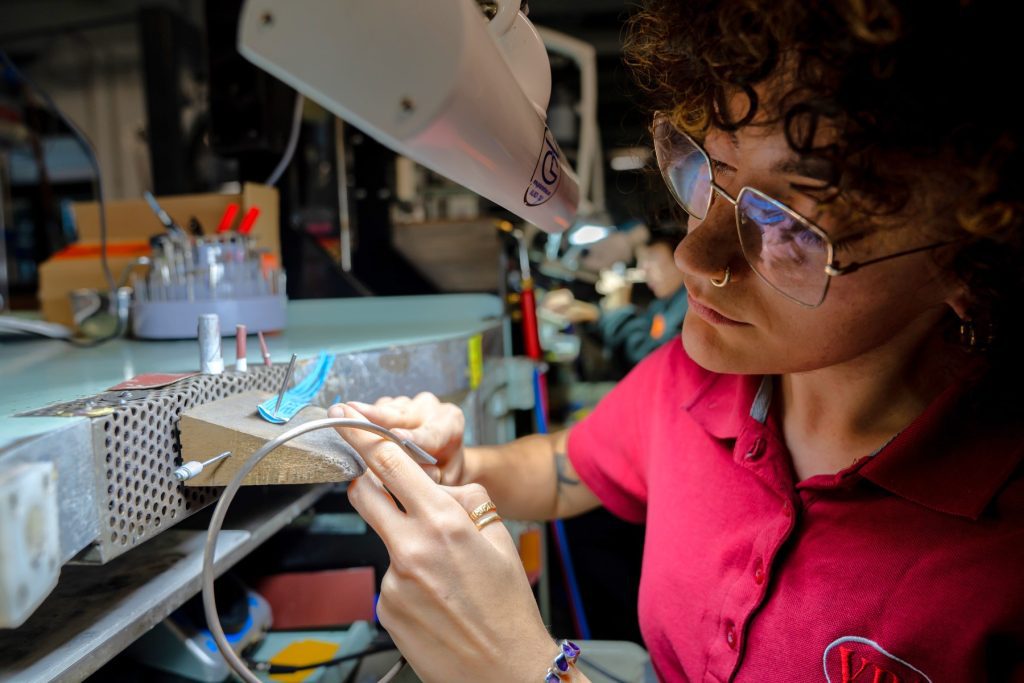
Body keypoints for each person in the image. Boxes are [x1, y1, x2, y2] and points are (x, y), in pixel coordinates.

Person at [329, 1, 1024, 680]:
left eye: (786, 227)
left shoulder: (1000, 561)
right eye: (705, 171)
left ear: (974, 260)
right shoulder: (692, 384)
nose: (696, 254)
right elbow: (560, 466)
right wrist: (458, 466)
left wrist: (523, 668)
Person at [543, 226, 688, 374]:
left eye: (650, 256)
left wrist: (618, 308)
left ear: (681, 254)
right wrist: (591, 313)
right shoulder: (662, 306)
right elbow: (637, 333)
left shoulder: (690, 307)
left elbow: (647, 359)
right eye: (640, 261)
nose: (643, 269)